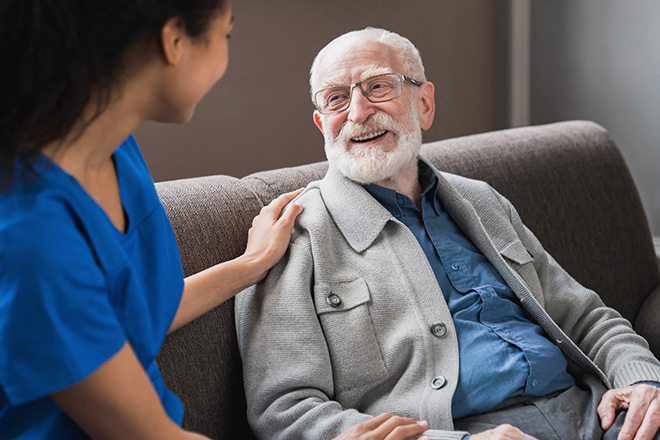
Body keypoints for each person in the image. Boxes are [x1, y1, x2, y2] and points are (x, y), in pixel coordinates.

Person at [235, 27, 660, 440]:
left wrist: (643, 380)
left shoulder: (482, 200)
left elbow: (584, 316)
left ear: (424, 103)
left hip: (595, 412)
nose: (357, 112)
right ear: (320, 122)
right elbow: (285, 412)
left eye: (378, 87)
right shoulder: (293, 236)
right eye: (336, 99)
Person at [0, 1, 309, 438]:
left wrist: (250, 265)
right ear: (175, 40)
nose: (226, 55)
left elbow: (129, 312)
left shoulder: (115, 148)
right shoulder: (30, 235)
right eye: (226, 34)